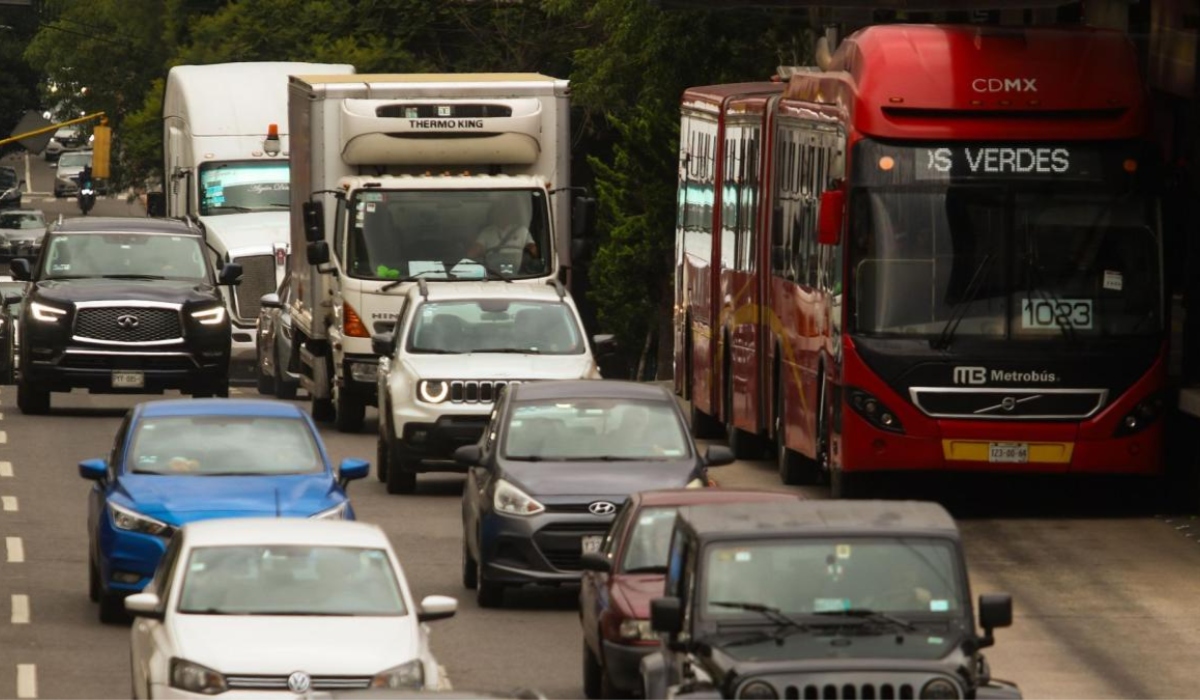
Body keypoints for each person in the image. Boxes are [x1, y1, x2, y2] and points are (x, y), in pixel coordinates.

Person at [468, 201, 538, 268]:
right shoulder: (487, 232)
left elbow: (533, 250)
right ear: (493, 215)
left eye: (505, 212)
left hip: (519, 270)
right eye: (498, 212)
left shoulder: (522, 230)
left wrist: (529, 254)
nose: (502, 215)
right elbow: (475, 251)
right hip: (493, 271)